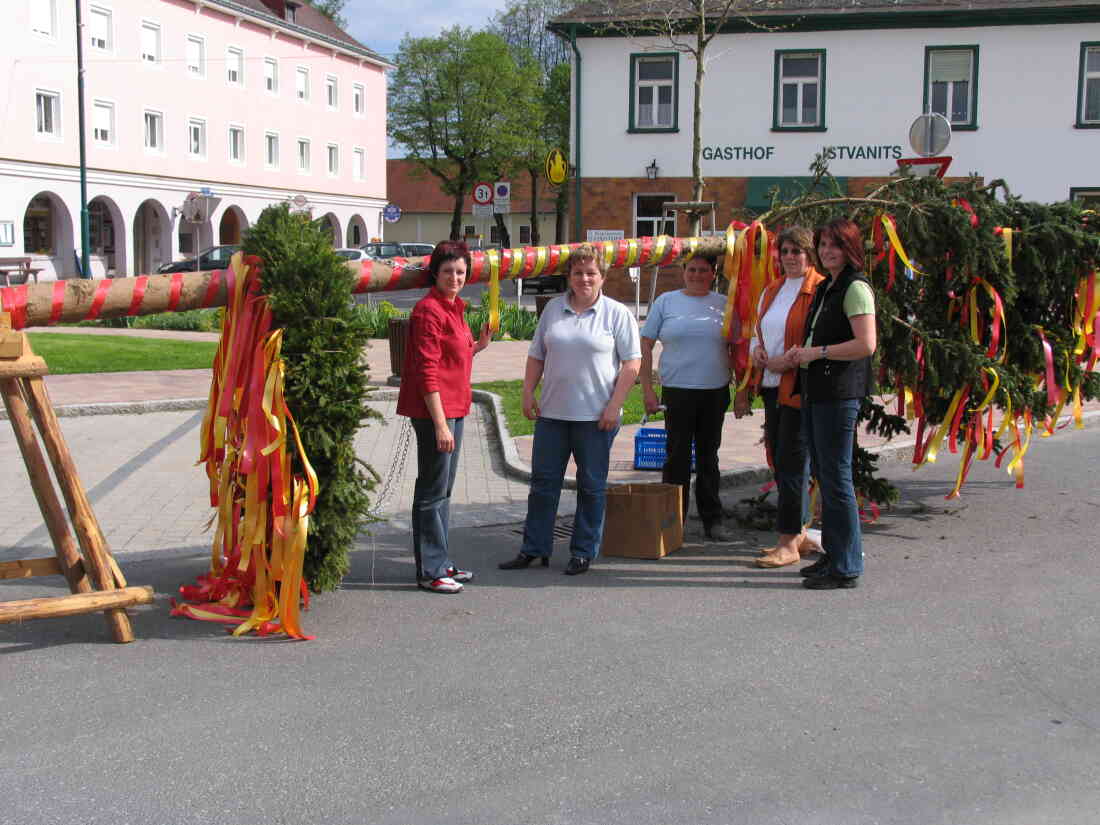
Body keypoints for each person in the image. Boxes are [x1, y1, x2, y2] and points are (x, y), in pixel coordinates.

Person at [499, 244, 641, 575]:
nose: (584, 279)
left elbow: (632, 363)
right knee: (542, 486)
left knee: (591, 486)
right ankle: (534, 548)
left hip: (596, 418)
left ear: (603, 276)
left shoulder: (616, 314)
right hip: (552, 415)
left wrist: (615, 405)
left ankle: (582, 551)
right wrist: (527, 392)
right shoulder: (553, 309)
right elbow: (537, 355)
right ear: (569, 276)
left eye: (591, 273)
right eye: (578, 273)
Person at [781, 218, 876, 590]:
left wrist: (817, 352)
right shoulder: (827, 287)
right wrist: (802, 353)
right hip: (816, 390)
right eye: (822, 245)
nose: (827, 251)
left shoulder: (855, 287)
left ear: (850, 248)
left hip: (838, 393)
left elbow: (865, 344)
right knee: (825, 474)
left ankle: (846, 566)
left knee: (837, 478)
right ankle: (833, 555)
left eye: (835, 245)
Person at [397, 240, 491, 594]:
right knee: (432, 491)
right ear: (435, 273)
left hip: (456, 407)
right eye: (448, 271)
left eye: (461, 272)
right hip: (435, 412)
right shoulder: (428, 311)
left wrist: (478, 346)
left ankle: (441, 561)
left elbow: (453, 356)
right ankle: (431, 570)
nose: (455, 277)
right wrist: (439, 425)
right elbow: (426, 371)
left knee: (444, 490)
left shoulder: (455, 307)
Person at [733, 227, 824, 568]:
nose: (789, 257)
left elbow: (818, 337)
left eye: (796, 251)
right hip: (772, 385)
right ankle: (798, 534)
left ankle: (788, 542)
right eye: (784, 251)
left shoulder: (818, 289)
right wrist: (757, 352)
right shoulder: (772, 289)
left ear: (809, 254)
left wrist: (790, 360)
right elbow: (759, 333)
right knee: (781, 460)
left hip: (801, 387)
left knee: (792, 463)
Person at [640, 254, 731, 541]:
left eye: (703, 270)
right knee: (676, 457)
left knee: (708, 457)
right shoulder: (666, 302)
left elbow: (739, 346)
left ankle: (712, 519)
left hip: (714, 391)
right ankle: (672, 521)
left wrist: (743, 390)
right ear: (683, 271)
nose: (697, 275)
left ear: (713, 273)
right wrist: (647, 389)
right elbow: (645, 345)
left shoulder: (724, 304)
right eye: (691, 269)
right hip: (677, 391)